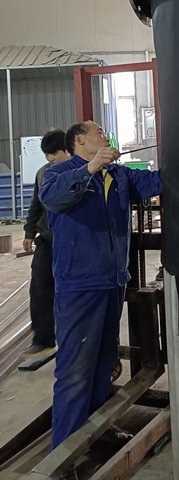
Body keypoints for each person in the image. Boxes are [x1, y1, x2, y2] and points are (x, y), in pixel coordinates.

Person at [39, 121, 162, 451]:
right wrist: (91, 168)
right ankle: (64, 451)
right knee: (76, 369)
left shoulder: (118, 175)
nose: (105, 138)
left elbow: (157, 182)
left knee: (103, 362)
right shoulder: (59, 173)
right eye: (99, 134)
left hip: (113, 281)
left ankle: (95, 430)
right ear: (80, 140)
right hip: (80, 285)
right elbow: (54, 198)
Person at [21, 129, 68, 359]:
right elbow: (36, 206)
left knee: (69, 292)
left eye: (54, 153)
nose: (50, 158)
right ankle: (43, 340)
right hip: (47, 241)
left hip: (70, 244)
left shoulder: (79, 172)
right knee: (40, 288)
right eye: (47, 155)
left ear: (67, 150)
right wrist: (29, 232)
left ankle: (71, 341)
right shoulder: (43, 173)